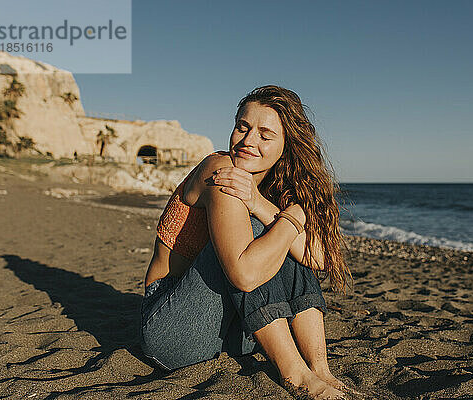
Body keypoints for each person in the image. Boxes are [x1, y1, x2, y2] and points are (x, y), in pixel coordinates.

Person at [140, 85, 355, 399]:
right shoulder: (220, 171)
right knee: (269, 230)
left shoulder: (270, 187)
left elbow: (319, 257)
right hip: (173, 330)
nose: (248, 141)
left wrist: (265, 206)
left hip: (231, 333)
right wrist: (291, 218)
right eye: (243, 127)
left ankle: (319, 367)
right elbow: (244, 275)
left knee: (277, 230)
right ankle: (294, 373)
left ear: (286, 145)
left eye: (265, 135)